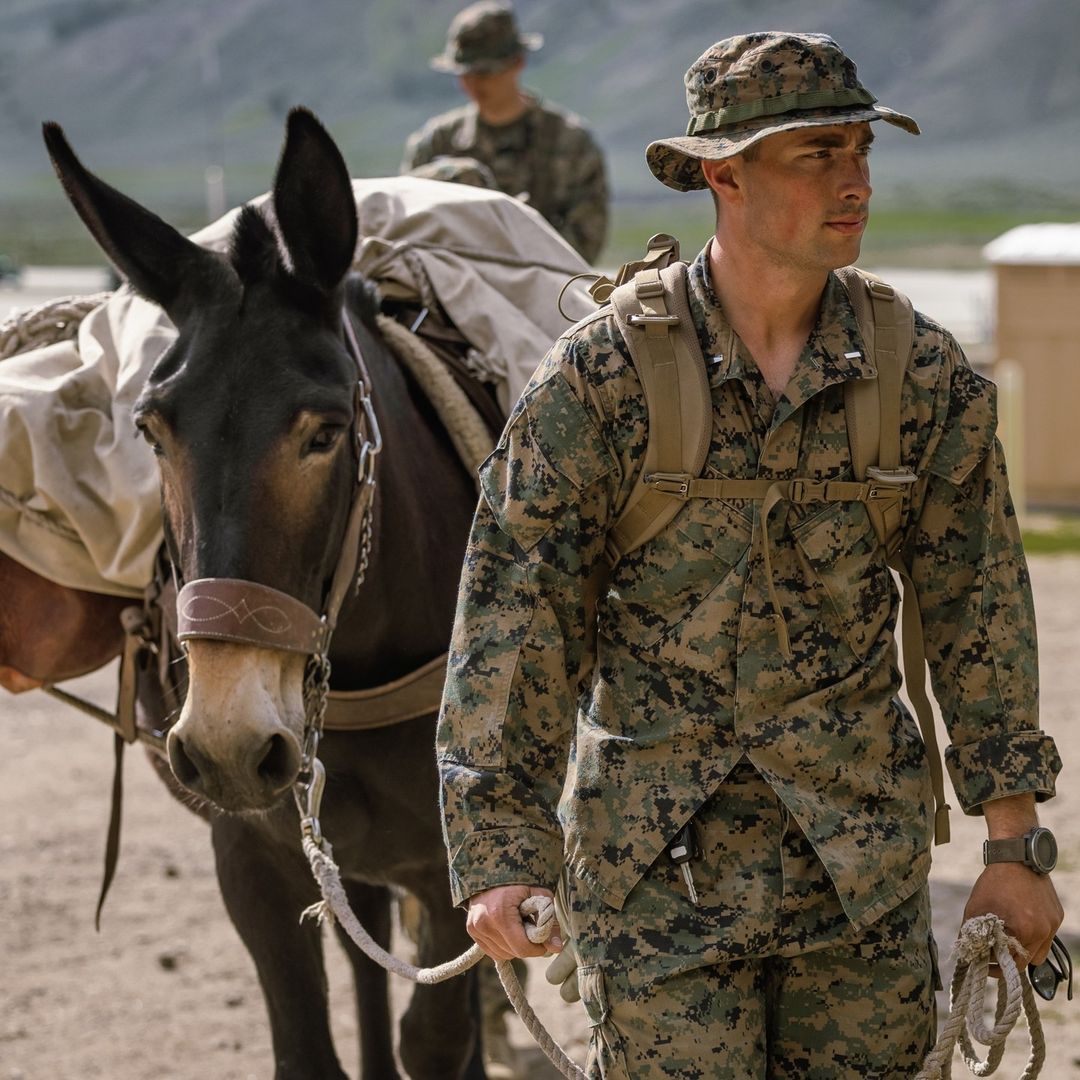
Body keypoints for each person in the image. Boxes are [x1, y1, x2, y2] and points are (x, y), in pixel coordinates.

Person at [436, 30, 1065, 1078]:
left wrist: (1012, 847)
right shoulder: (603, 380)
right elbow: (516, 615)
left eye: (860, 149)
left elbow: (979, 609)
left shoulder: (916, 374)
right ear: (719, 172)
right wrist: (502, 855)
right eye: (814, 153)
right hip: (654, 887)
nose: (853, 179)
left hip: (856, 875)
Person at [402, 1, 609, 264]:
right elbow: (407, 223)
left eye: (485, 72)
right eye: (465, 73)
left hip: (543, 290)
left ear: (517, 63)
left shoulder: (571, 143)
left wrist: (510, 255)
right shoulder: (436, 144)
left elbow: (585, 242)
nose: (473, 83)